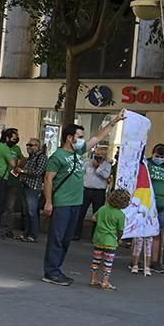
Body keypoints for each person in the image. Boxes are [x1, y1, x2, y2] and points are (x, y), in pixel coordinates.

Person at [42, 113, 126, 285]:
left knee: (65, 239)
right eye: (79, 137)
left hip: (76, 203)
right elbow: (48, 179)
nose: (82, 140)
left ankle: (56, 269)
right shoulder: (57, 157)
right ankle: (51, 272)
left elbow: (97, 137)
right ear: (69, 138)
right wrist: (49, 202)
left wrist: (114, 122)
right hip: (62, 203)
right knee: (57, 239)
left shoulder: (78, 152)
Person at [131, 144, 164, 275]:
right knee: (140, 232)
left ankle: (154, 262)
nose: (159, 158)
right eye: (157, 156)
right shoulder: (146, 164)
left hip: (162, 204)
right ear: (152, 154)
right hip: (147, 203)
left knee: (156, 234)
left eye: (162, 156)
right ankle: (136, 261)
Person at [89, 188, 130, 290]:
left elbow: (93, 218)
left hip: (98, 239)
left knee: (96, 261)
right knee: (108, 263)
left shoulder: (103, 209)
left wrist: (102, 222)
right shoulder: (120, 215)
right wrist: (119, 238)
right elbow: (120, 230)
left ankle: (93, 279)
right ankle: (105, 282)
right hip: (110, 241)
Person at [73, 145, 113, 240]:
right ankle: (76, 233)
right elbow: (81, 173)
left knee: (97, 214)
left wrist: (98, 167)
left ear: (104, 156)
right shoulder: (88, 163)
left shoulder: (107, 165)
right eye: (96, 154)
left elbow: (106, 176)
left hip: (99, 192)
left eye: (100, 155)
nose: (98, 156)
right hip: (87, 190)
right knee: (81, 212)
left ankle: (95, 235)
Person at [17, 139, 48, 243]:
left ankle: (33, 235)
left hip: (33, 187)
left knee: (32, 212)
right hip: (25, 185)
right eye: (27, 144)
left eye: (31, 145)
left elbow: (38, 172)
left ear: (37, 146)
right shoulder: (31, 157)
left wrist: (22, 171)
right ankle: (26, 233)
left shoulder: (41, 157)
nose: (28, 147)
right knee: (26, 212)